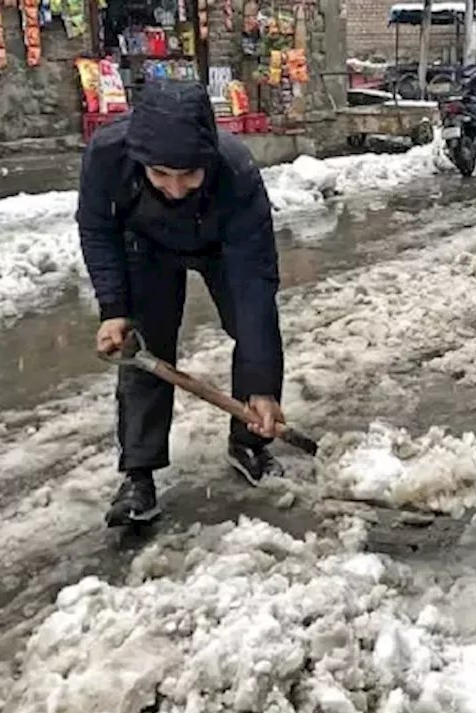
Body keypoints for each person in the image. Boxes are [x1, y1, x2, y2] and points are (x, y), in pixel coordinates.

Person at [76, 79, 284, 527]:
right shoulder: (108, 155)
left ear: (207, 159)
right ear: (139, 161)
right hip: (144, 245)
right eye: (160, 175)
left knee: (254, 331)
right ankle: (138, 474)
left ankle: (250, 439)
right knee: (147, 349)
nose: (174, 188)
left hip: (222, 248)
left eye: (189, 175)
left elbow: (255, 286)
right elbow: (97, 229)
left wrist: (261, 385)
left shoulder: (236, 172)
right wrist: (113, 309)